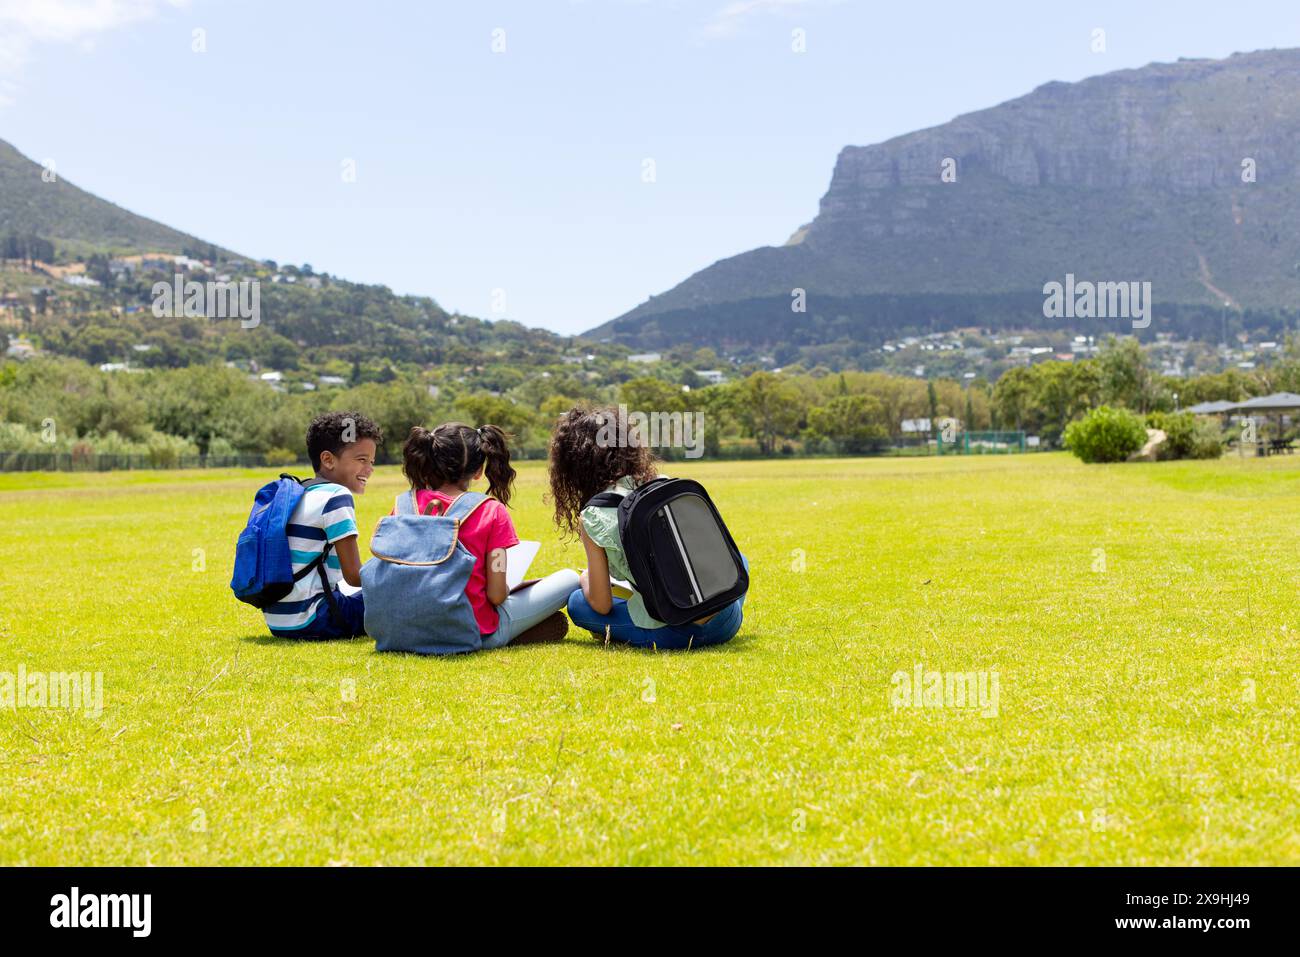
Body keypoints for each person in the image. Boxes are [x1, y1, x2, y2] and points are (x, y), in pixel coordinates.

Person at [547, 406, 748, 650]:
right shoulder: (664, 484)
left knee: (578, 602)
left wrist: (586, 579)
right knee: (741, 560)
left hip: (672, 634)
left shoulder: (593, 515)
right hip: (726, 622)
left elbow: (601, 604)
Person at [400, 423, 577, 648]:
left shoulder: (404, 504)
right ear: (478, 471)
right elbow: (496, 596)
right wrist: (507, 585)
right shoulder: (489, 510)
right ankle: (516, 632)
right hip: (470, 631)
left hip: (404, 626)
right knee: (571, 578)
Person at [263, 411, 381, 640]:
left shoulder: (300, 492)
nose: (369, 469)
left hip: (279, 622)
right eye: (361, 460)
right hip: (317, 619)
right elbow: (356, 577)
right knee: (403, 593)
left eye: (372, 462)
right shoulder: (337, 496)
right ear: (328, 460)